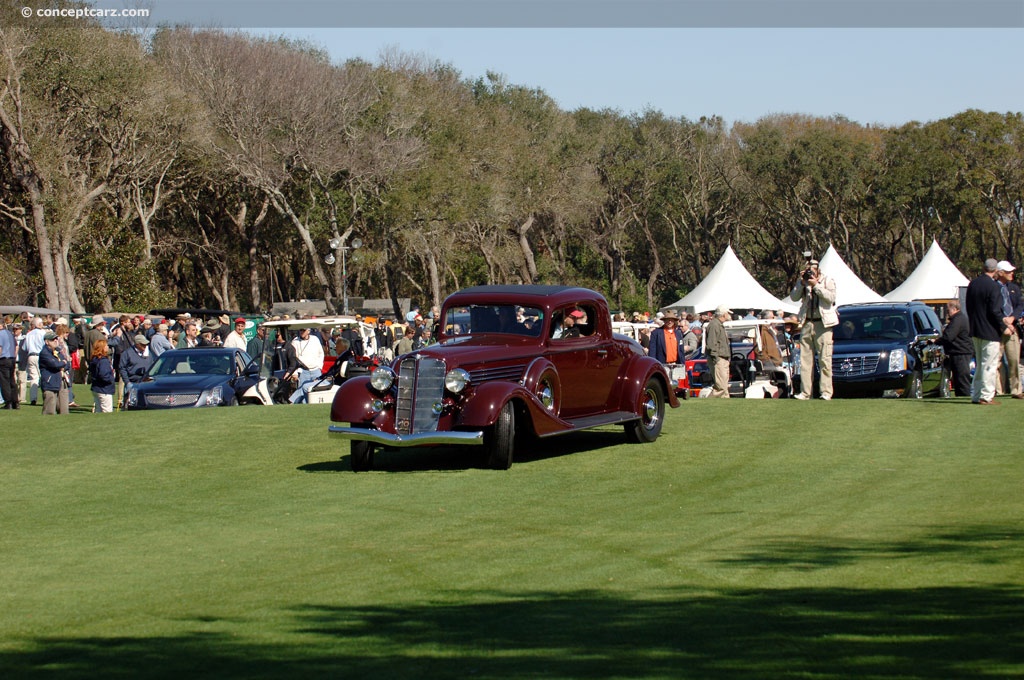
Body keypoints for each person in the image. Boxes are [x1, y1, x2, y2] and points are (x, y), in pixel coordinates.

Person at [790, 257, 838, 400]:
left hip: (823, 324)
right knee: (805, 360)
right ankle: (805, 392)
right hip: (806, 322)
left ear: (818, 270)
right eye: (808, 269)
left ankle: (826, 392)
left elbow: (831, 298)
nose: (810, 272)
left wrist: (816, 285)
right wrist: (801, 282)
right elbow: (793, 297)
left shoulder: (827, 281)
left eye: (812, 269)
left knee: (825, 359)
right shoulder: (803, 282)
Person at [966, 258, 1009, 405]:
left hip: (975, 329)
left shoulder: (973, 284)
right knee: (989, 364)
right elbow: (995, 311)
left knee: (980, 364)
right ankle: (986, 396)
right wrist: (1004, 327)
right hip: (990, 331)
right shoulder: (993, 287)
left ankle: (976, 394)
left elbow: (969, 307)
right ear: (995, 270)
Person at [995, 260, 1023, 398]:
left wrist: (1012, 319)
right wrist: (1003, 323)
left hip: (1012, 329)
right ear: (1000, 273)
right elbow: (993, 309)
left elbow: (1019, 306)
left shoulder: (1014, 288)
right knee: (996, 362)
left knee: (1014, 361)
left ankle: (1016, 389)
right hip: (997, 330)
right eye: (1008, 272)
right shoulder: (993, 288)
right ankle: (998, 391)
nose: (1011, 274)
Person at [938, 299, 972, 397]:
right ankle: (961, 395)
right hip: (960, 352)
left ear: (954, 309)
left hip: (960, 353)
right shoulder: (960, 318)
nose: (947, 313)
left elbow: (949, 336)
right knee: (958, 379)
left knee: (961, 379)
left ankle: (964, 396)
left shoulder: (957, 320)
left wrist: (937, 341)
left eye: (948, 310)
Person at [288, 326, 324, 404]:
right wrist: (295, 373)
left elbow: (321, 353)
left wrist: (319, 367)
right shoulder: (295, 342)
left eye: (303, 330)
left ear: (308, 331)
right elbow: (293, 359)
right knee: (302, 391)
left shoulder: (315, 339)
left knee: (317, 389)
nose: (301, 332)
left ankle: (292, 401)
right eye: (300, 330)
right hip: (303, 371)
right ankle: (294, 403)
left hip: (315, 370)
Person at [38, 331, 71, 415]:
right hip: (50, 382)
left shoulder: (58, 351)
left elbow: (67, 364)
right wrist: (63, 363)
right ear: (47, 342)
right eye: (53, 339)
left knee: (64, 410)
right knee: (50, 411)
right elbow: (55, 364)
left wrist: (63, 364)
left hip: (62, 381)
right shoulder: (44, 353)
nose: (56, 341)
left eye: (56, 339)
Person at [119, 334, 153, 406]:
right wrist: (127, 382)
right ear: (137, 344)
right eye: (143, 344)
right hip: (132, 382)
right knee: (131, 404)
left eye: (146, 344)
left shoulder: (149, 353)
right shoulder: (127, 353)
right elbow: (122, 368)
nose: (145, 346)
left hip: (146, 381)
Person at [705, 304, 731, 398]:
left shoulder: (718, 324)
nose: (729, 315)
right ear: (723, 314)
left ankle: (726, 407)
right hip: (718, 359)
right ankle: (709, 404)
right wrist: (716, 359)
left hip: (722, 358)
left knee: (724, 387)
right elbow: (711, 343)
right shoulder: (714, 325)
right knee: (721, 387)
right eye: (728, 313)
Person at [23, 316, 47, 405]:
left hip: (30, 355)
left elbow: (24, 347)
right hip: (40, 355)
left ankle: (33, 398)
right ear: (39, 324)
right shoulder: (43, 333)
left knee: (34, 378)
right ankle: (46, 397)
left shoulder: (29, 334)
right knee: (43, 376)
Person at [88, 338, 116, 413]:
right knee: (107, 410)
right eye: (106, 345)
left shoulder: (94, 359)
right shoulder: (103, 361)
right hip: (104, 389)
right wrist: (111, 379)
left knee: (98, 410)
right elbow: (103, 375)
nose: (107, 347)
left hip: (96, 388)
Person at [0, 317, 18, 409]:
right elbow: (16, 346)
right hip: (12, 358)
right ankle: (15, 401)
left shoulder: (0, 334)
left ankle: (8, 402)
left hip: (3, 359)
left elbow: (0, 348)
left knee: (4, 381)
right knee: (12, 380)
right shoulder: (10, 334)